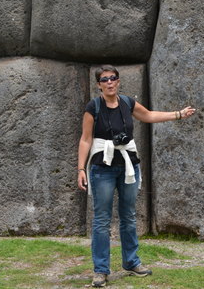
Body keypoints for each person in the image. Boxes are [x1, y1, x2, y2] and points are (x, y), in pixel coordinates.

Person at [77, 65, 195, 288]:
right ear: (99, 84)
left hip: (128, 166)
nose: (109, 82)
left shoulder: (128, 103)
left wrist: (178, 114)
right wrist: (81, 169)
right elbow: (85, 139)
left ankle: (131, 262)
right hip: (103, 168)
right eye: (104, 80)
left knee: (129, 216)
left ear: (119, 81)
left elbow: (149, 115)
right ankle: (101, 270)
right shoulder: (94, 106)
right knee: (101, 220)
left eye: (113, 78)